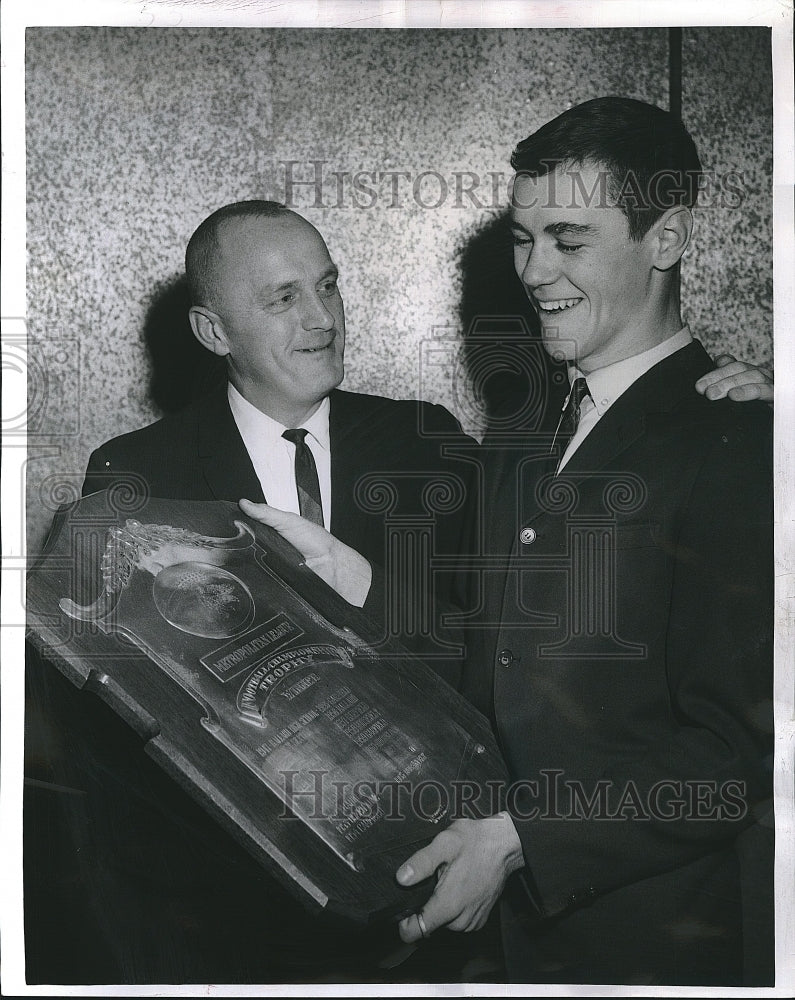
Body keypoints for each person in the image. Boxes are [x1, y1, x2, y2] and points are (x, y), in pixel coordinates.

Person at [26, 194, 770, 985]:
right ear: (214, 332)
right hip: (227, 917)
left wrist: (743, 405)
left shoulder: (428, 444)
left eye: (329, 285)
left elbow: (498, 647)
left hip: (434, 905)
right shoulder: (134, 472)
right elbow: (118, 737)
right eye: (283, 299)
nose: (322, 318)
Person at [247, 98, 774, 987]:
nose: (535, 271)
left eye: (569, 241)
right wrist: (355, 578)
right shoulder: (530, 432)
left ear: (668, 237)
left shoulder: (743, 440)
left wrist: (524, 836)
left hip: (648, 950)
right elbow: (496, 655)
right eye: (523, 240)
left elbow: (735, 755)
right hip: (502, 942)